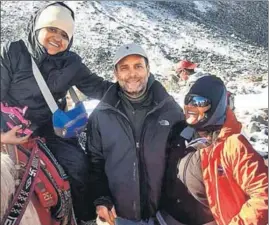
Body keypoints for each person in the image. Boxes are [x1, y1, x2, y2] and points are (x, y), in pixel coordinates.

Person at [1, 2, 112, 224]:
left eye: (64, 34)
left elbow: (100, 88)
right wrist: (1, 136)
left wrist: (133, 92)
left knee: (78, 166)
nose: (57, 38)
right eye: (52, 29)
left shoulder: (72, 64)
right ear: (37, 28)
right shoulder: (13, 52)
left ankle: (83, 219)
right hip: (7, 124)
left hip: (48, 128)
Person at [86, 43, 185, 225]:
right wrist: (101, 199)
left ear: (148, 69)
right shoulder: (101, 115)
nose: (132, 74)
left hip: (164, 216)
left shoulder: (170, 111)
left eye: (138, 66)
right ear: (116, 74)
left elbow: (182, 162)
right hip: (119, 217)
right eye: (124, 68)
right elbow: (95, 163)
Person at [163, 75, 268, 225]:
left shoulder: (233, 145)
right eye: (189, 100)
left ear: (217, 107)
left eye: (200, 102)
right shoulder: (181, 133)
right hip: (167, 218)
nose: (191, 106)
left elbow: (263, 195)